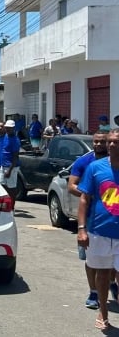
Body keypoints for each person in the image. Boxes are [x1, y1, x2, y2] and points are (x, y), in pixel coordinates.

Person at [67, 130, 116, 309]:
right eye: (96, 142)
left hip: (112, 219)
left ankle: (110, 283)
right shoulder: (85, 162)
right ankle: (94, 292)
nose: (99, 145)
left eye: (102, 142)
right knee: (91, 259)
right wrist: (93, 193)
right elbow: (71, 186)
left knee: (112, 260)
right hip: (90, 220)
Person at [77, 128, 119, 331]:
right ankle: (103, 311)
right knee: (102, 274)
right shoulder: (95, 168)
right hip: (99, 232)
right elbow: (84, 199)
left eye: (116, 142)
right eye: (110, 141)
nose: (111, 145)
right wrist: (81, 229)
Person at [0, 120, 21, 201]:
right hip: (3, 166)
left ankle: (12, 207)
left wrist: (9, 171)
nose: (7, 129)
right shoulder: (5, 136)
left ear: (13, 128)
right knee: (1, 185)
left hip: (11, 167)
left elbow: (15, 157)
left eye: (9, 128)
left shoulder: (15, 140)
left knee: (11, 188)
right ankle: (5, 203)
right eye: (6, 128)